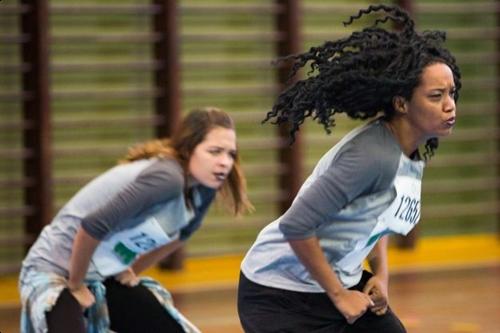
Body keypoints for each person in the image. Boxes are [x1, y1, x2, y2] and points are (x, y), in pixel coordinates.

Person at [238, 4, 461, 333]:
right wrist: (341, 294)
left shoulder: (410, 152)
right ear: (401, 103)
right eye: (436, 95)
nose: (449, 105)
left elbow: (378, 217)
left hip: (333, 280)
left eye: (452, 93)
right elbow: (296, 225)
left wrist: (380, 276)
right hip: (279, 293)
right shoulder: (372, 156)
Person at [19, 107, 252, 333]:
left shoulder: (205, 187)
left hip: (99, 272)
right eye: (214, 151)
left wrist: (130, 269)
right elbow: (91, 226)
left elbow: (181, 235)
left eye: (231, 154)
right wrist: (77, 285)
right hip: (55, 271)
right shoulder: (167, 179)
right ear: (189, 149)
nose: (225, 162)